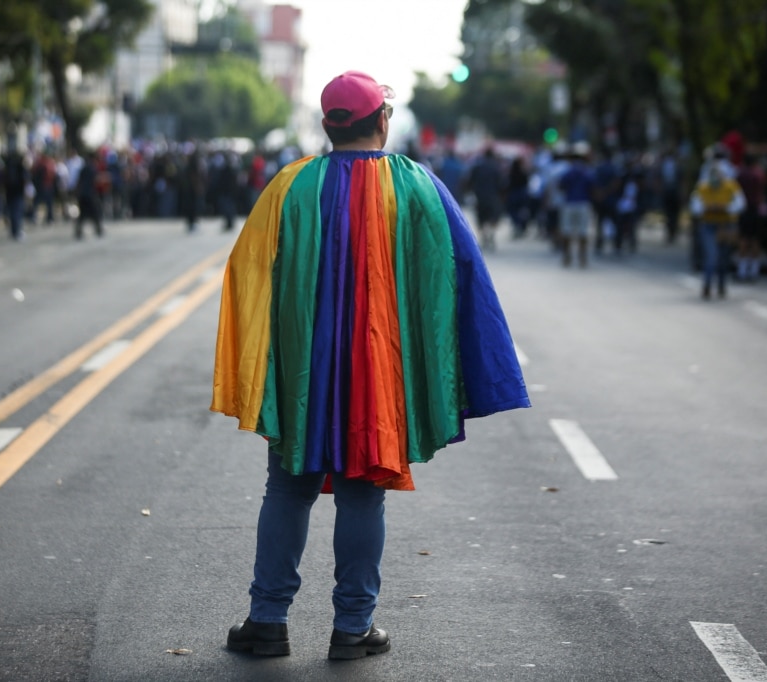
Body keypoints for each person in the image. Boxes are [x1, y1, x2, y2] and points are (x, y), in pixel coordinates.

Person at [211, 70, 530, 661]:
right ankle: (353, 629)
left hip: (303, 370)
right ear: (381, 121)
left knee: (287, 487)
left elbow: (248, 272)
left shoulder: (290, 185)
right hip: (377, 371)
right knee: (362, 494)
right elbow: (463, 274)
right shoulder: (415, 184)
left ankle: (267, 621)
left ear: (331, 126)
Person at [690, 163, 745, 299]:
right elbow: (695, 207)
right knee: (711, 256)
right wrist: (709, 208)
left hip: (726, 226)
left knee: (723, 257)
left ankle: (721, 285)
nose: (716, 177)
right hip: (708, 225)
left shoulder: (731, 186)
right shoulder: (703, 187)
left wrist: (725, 208)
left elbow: (740, 204)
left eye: (719, 174)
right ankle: (707, 286)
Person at [557, 142, 595, 266]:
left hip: (569, 203)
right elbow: (592, 187)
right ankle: (582, 258)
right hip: (583, 203)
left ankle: (567, 257)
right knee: (583, 232)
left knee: (567, 231)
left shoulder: (569, 171)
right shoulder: (587, 171)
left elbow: (561, 185)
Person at [466, 147, 505, 251]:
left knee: (481, 217)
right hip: (493, 196)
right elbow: (501, 183)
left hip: (480, 196)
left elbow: (470, 181)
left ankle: (484, 236)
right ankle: (491, 234)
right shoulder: (496, 167)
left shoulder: (478, 167)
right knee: (492, 217)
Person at [736, 153, 766, 282]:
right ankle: (754, 270)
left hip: (744, 209)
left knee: (743, 239)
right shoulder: (758, 174)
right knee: (754, 240)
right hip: (755, 209)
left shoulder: (741, 175)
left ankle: (742, 270)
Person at [74, 152, 104, 240]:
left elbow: (79, 181)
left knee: (82, 214)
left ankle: (78, 231)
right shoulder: (93, 169)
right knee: (95, 212)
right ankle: (98, 229)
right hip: (90, 194)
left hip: (82, 194)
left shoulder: (83, 168)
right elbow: (95, 181)